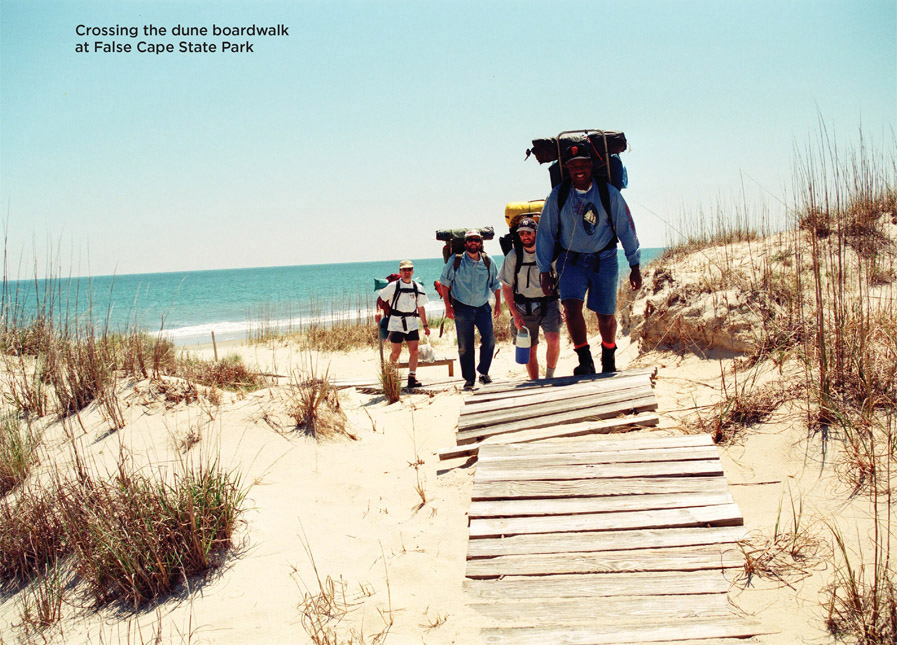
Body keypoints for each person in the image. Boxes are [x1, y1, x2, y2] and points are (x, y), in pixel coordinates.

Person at [535, 140, 642, 374]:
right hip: (570, 261)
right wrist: (544, 270)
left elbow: (626, 228)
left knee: (605, 317)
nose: (579, 169)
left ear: (591, 165)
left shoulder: (607, 193)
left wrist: (634, 264)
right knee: (571, 310)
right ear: (567, 169)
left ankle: (608, 357)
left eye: (583, 164)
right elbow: (544, 234)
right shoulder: (558, 196)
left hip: (604, 259)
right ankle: (585, 360)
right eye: (573, 166)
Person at [499, 217, 561, 380]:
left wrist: (565, 306)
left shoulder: (548, 253)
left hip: (549, 303)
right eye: (522, 234)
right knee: (530, 348)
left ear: (536, 234)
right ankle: (535, 383)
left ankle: (549, 377)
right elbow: (506, 287)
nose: (525, 236)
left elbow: (561, 278)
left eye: (529, 233)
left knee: (554, 340)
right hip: (524, 307)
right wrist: (515, 314)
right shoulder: (514, 256)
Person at [440, 229, 502, 390]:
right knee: (465, 345)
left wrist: (498, 305)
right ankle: (469, 379)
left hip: (483, 307)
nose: (473, 242)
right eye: (470, 240)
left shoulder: (488, 261)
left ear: (480, 243)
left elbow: (496, 284)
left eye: (476, 240)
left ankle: (483, 372)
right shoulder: (456, 260)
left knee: (489, 341)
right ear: (466, 243)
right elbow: (444, 283)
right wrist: (448, 306)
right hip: (462, 307)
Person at [376, 259, 430, 388]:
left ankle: (412, 377)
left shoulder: (417, 287)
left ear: (412, 271)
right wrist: (378, 311)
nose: (407, 272)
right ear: (400, 271)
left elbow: (421, 308)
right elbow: (380, 298)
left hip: (411, 322)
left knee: (415, 350)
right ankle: (392, 375)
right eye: (404, 270)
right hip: (396, 323)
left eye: (409, 269)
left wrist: (425, 325)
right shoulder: (393, 286)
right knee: (396, 352)